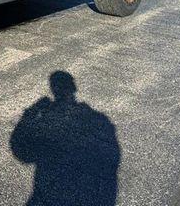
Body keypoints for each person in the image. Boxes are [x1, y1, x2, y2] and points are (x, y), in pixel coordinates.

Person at [10, 71, 121, 206]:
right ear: (74, 88)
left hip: (52, 194)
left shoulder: (51, 121)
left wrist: (30, 113)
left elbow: (23, 152)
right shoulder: (100, 121)